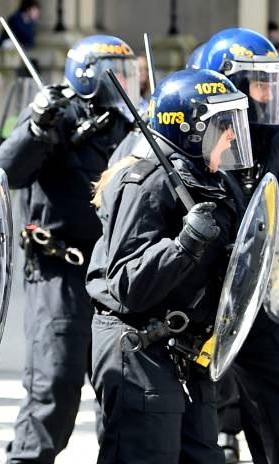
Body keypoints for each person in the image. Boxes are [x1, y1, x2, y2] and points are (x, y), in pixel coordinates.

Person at [87, 67, 251, 464]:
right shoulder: (147, 182)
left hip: (187, 350)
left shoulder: (214, 179)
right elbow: (127, 283)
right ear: (192, 129)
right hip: (140, 344)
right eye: (222, 124)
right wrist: (184, 246)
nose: (232, 134)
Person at [0, 34, 138, 464]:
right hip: (60, 269)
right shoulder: (55, 113)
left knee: (120, 387)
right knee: (54, 384)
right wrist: (38, 126)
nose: (127, 83)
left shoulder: (130, 124)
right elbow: (5, 170)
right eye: (118, 74)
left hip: (112, 274)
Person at [193, 27, 279, 464]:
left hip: (255, 295)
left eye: (272, 81)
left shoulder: (274, 137)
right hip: (196, 302)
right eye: (258, 82)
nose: (268, 92)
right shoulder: (198, 138)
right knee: (191, 427)